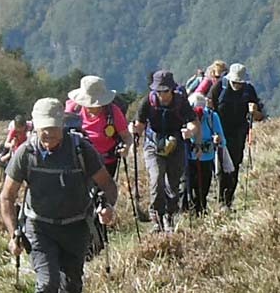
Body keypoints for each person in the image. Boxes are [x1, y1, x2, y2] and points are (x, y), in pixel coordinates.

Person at [0, 98, 118, 293]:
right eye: (44, 129)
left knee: (72, 284)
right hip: (39, 227)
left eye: (53, 128)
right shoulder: (25, 154)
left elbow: (108, 185)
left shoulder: (80, 149)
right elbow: (7, 197)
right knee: (47, 282)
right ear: (35, 127)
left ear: (63, 125)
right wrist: (12, 233)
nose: (49, 134)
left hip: (76, 226)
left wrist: (108, 206)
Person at [131, 70, 198, 231]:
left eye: (165, 91)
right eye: (158, 91)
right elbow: (139, 124)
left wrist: (190, 131)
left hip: (176, 145)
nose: (161, 95)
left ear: (172, 89)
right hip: (153, 145)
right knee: (156, 179)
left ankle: (170, 215)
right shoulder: (147, 102)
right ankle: (157, 217)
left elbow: (193, 122)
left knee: (172, 183)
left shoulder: (181, 102)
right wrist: (134, 133)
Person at [211, 63, 264, 207]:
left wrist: (254, 112)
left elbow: (260, 116)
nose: (237, 85)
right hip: (221, 133)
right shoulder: (218, 88)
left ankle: (228, 201)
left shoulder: (249, 90)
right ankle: (221, 201)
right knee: (222, 168)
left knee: (234, 167)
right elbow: (209, 112)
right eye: (235, 82)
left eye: (239, 83)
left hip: (239, 134)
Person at [66, 75, 129, 177]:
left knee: (104, 190)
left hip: (106, 162)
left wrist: (126, 147)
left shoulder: (113, 112)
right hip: (80, 162)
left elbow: (126, 136)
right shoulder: (72, 110)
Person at [186, 93, 226, 215]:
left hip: (207, 158)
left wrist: (217, 139)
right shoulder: (184, 117)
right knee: (189, 187)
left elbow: (222, 140)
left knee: (203, 188)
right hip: (189, 157)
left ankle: (201, 209)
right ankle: (191, 211)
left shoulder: (212, 117)